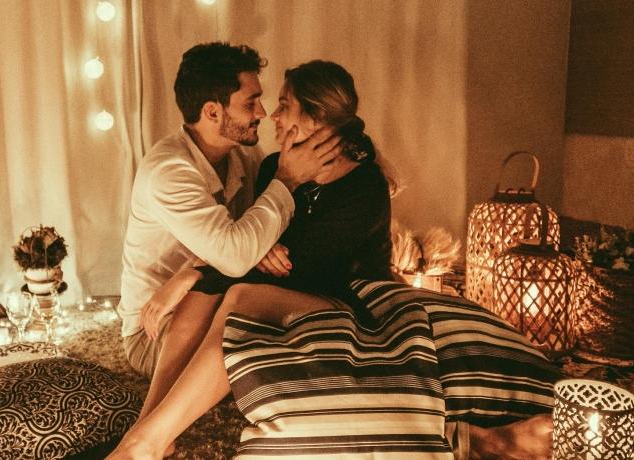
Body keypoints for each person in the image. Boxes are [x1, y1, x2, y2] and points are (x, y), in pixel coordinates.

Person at [111, 59, 554, 460]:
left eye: (283, 105)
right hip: (286, 295)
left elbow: (299, 267)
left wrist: (205, 268)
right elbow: (251, 243)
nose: (271, 115)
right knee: (208, 297)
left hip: (346, 302)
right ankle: (148, 438)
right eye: (259, 102)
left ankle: (147, 440)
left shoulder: (364, 186)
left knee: (239, 295)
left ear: (317, 118)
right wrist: (216, 267)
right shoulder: (270, 168)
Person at [119, 42, 343, 386]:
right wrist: (286, 180)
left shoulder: (242, 155)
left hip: (214, 298)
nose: (262, 113)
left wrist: (365, 155)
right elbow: (237, 255)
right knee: (264, 355)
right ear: (212, 112)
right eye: (250, 103)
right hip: (156, 329)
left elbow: (258, 231)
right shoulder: (169, 172)